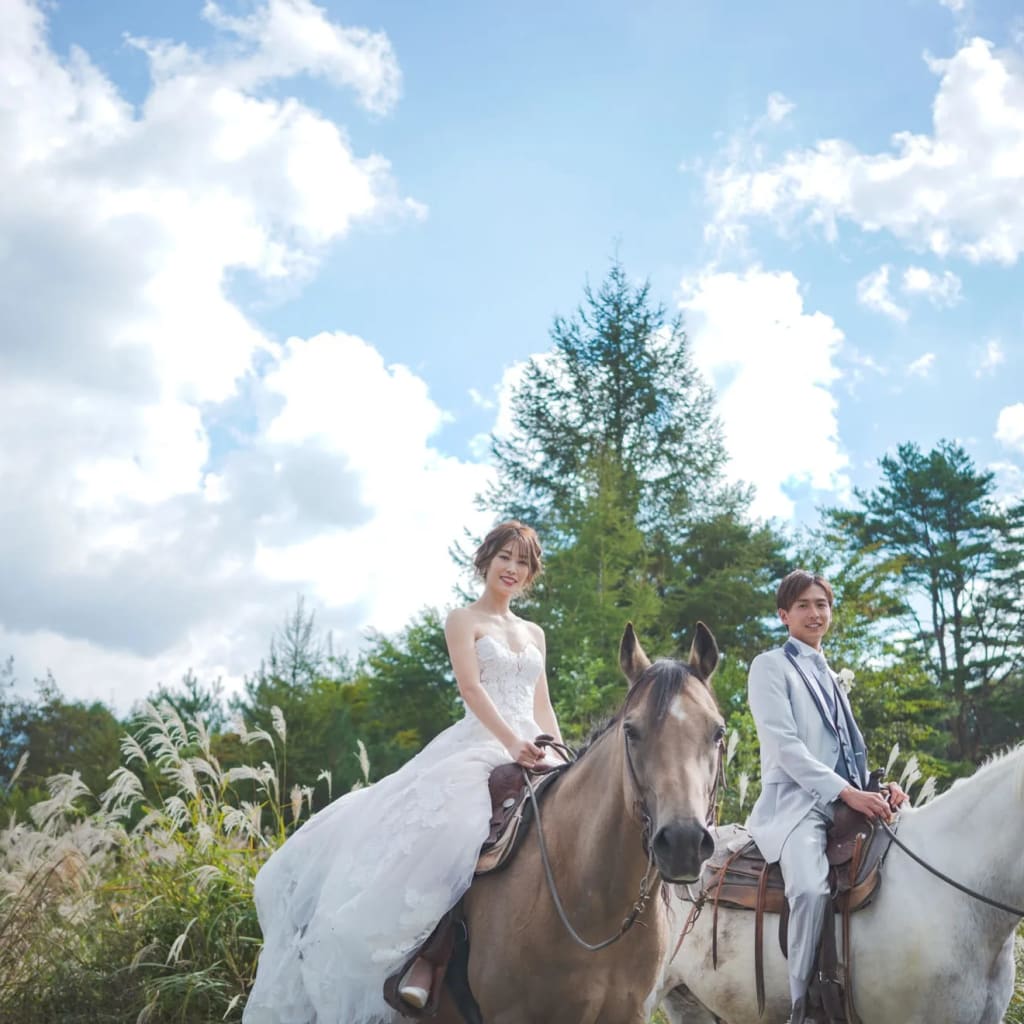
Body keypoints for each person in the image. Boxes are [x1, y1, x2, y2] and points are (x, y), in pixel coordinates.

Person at [243, 521, 563, 1024]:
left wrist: (559, 754)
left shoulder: (535, 632)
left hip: (533, 748)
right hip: (484, 742)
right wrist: (511, 744)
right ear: (486, 560)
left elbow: (542, 705)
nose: (512, 569)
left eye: (522, 563)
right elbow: (473, 691)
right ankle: (427, 960)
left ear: (531, 574)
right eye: (505, 557)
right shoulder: (464, 619)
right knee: (455, 833)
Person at [745, 570, 907, 1024]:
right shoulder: (769, 666)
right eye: (804, 605)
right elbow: (785, 747)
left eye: (822, 604)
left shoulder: (832, 673)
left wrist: (877, 788)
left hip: (844, 801)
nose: (815, 613)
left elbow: (847, 750)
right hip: (796, 805)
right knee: (812, 889)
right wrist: (848, 794)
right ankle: (804, 1006)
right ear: (784, 615)